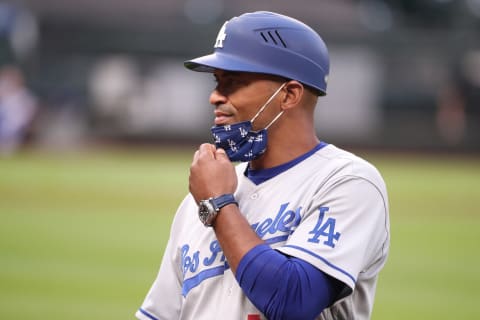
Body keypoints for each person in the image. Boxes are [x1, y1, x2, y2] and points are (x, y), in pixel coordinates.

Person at [136, 11, 390, 320]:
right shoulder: (198, 202)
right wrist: (213, 201)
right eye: (217, 82)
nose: (215, 96)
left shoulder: (348, 182)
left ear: (289, 95)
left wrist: (218, 205)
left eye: (234, 82)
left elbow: (293, 301)